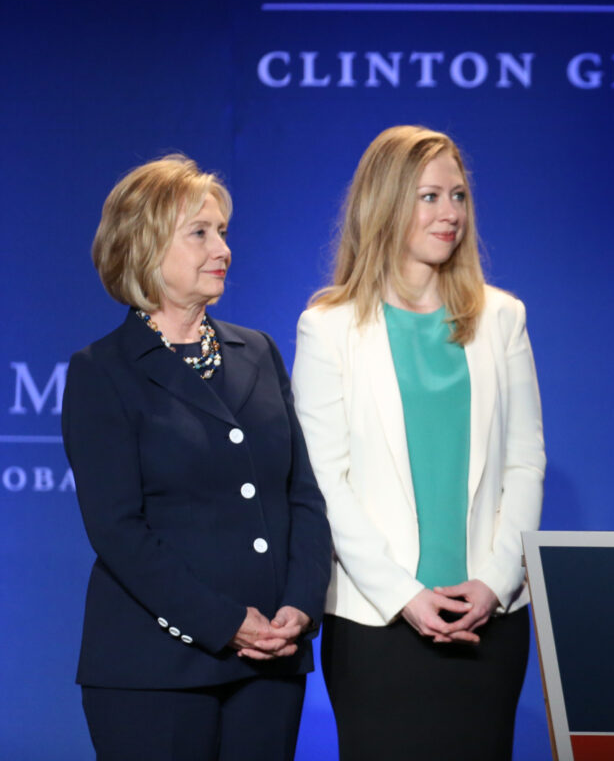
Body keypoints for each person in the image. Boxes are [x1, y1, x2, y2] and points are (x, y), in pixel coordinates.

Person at [61, 154, 331, 760]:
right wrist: (224, 622)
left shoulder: (257, 352)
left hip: (271, 663)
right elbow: (117, 529)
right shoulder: (101, 372)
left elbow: (302, 496)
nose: (223, 249)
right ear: (145, 246)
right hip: (154, 671)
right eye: (201, 233)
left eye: (224, 233)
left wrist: (300, 607)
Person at [292, 125, 545, 760]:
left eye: (458, 196)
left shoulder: (501, 317)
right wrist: (404, 595)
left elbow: (525, 463)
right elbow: (327, 482)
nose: (450, 213)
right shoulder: (328, 329)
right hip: (377, 623)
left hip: (488, 620)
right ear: (386, 204)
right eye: (430, 196)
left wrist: (493, 581)